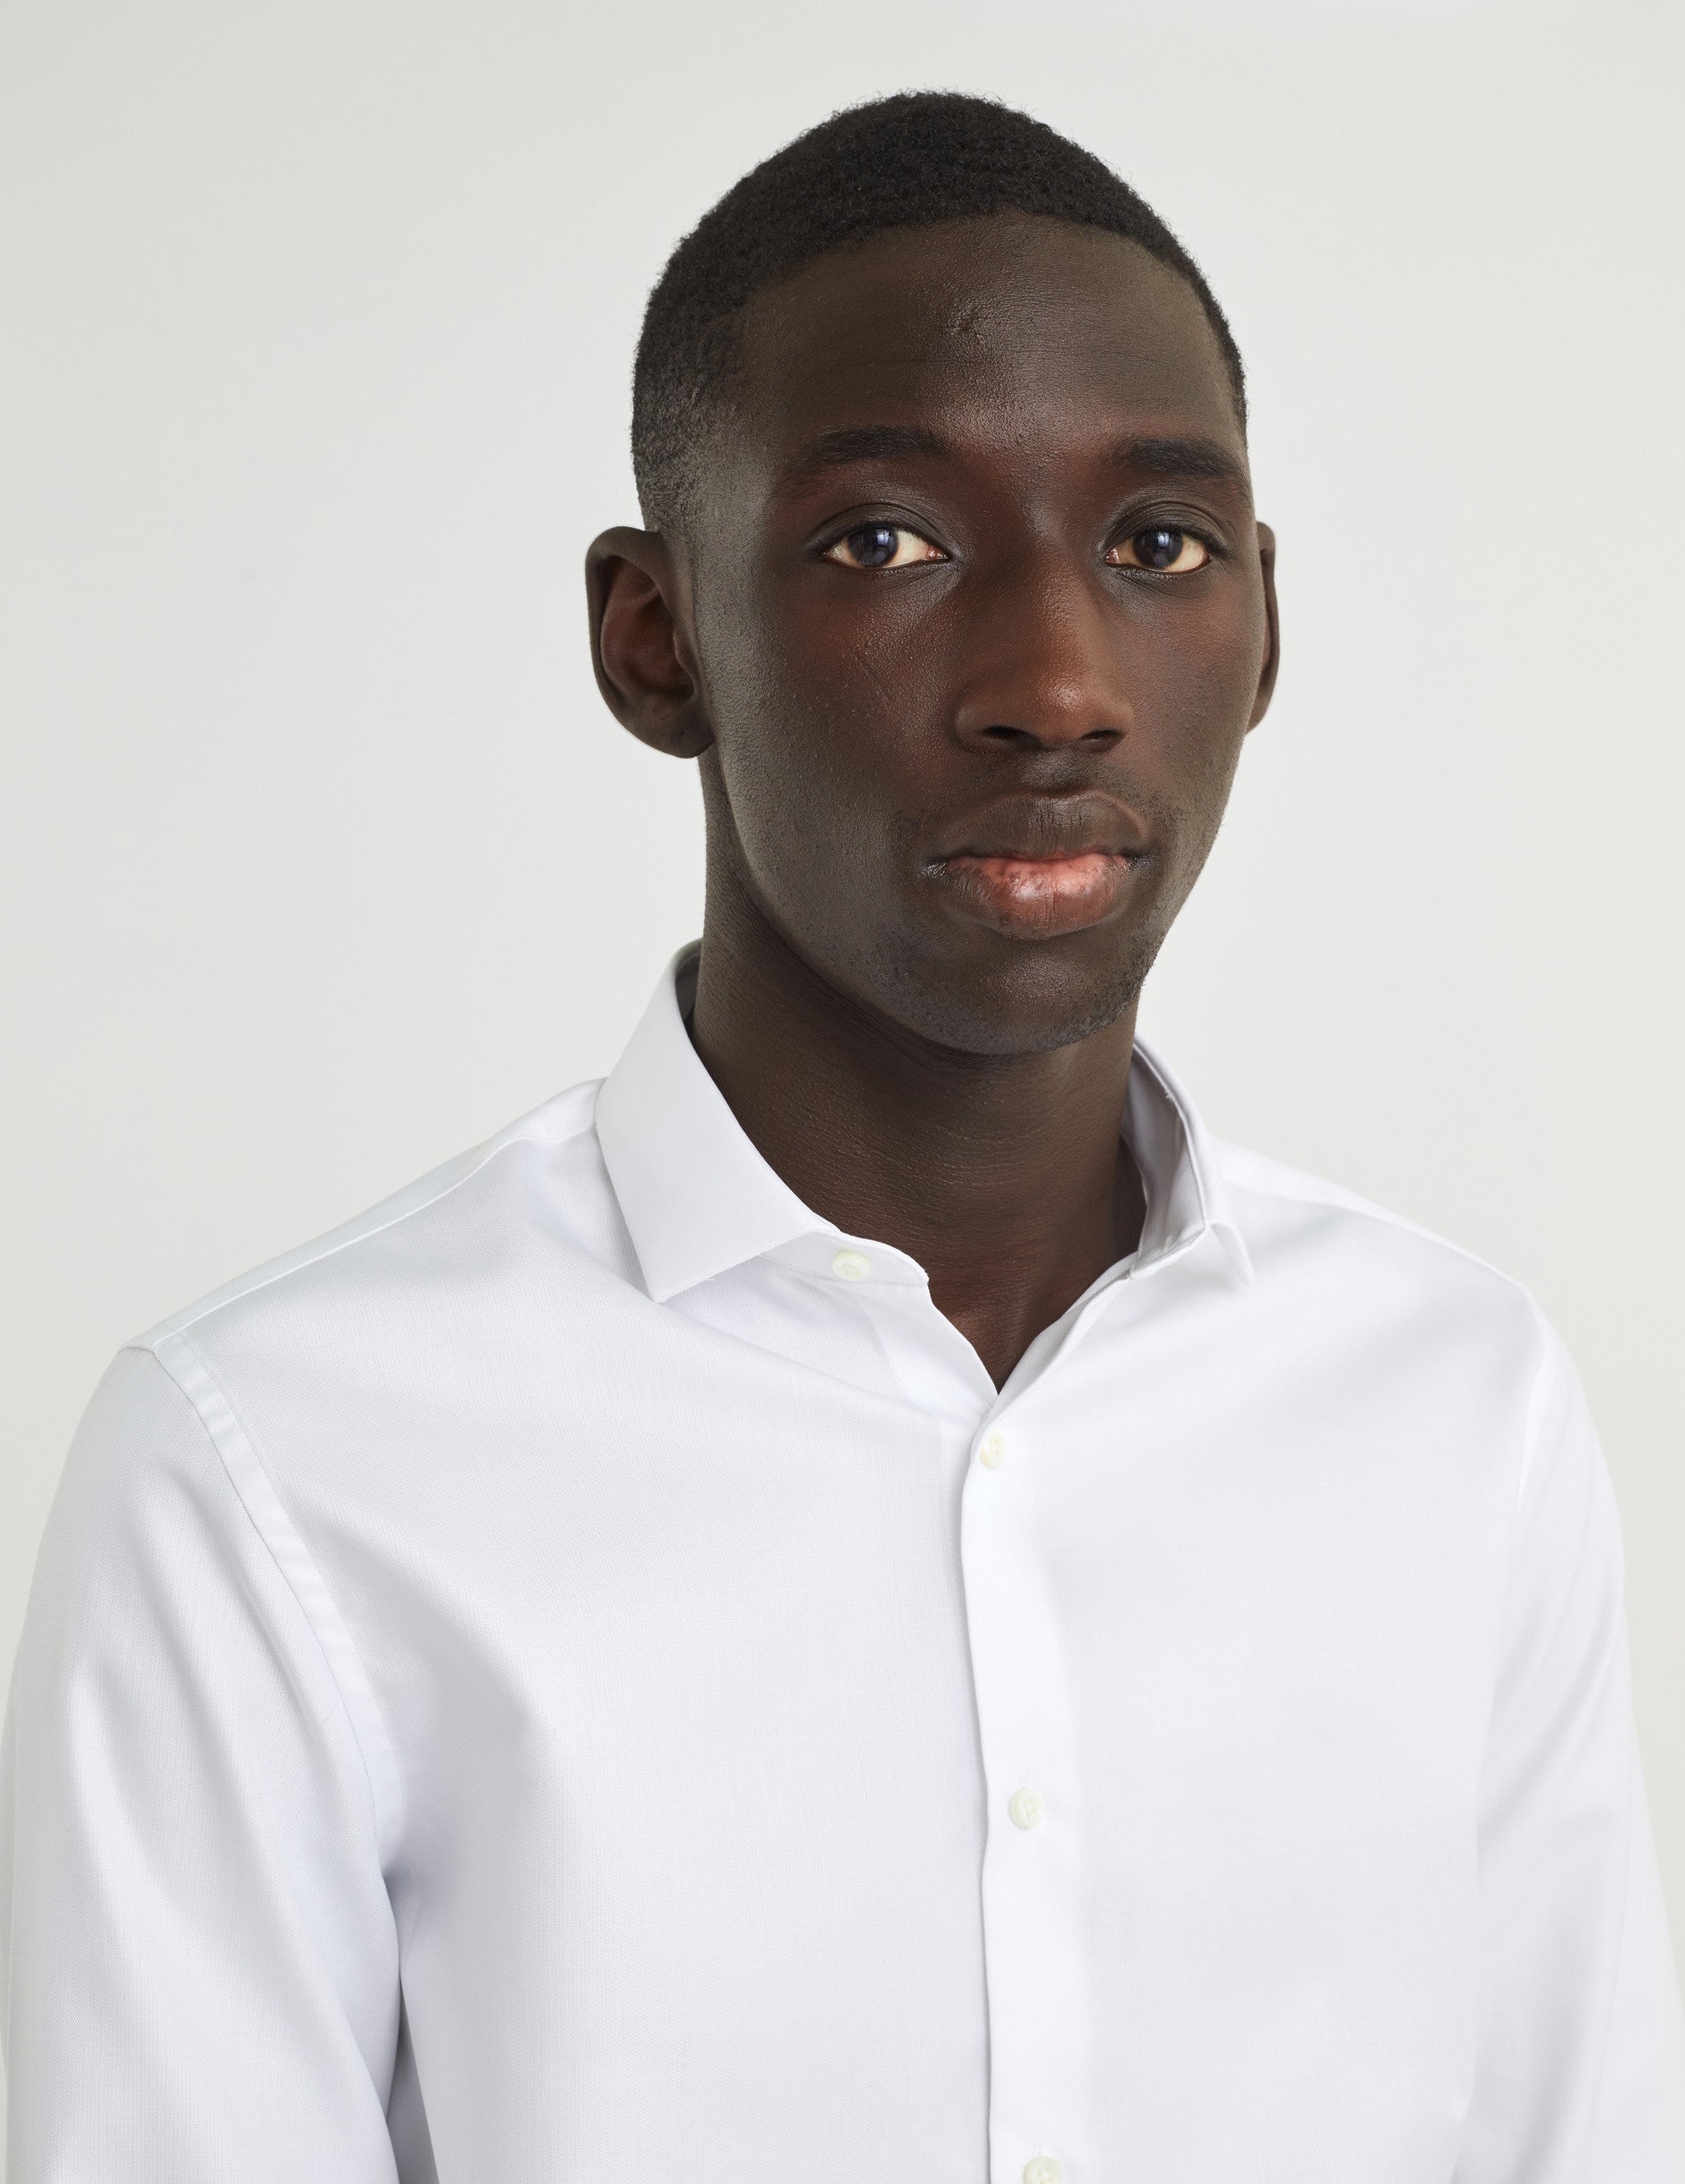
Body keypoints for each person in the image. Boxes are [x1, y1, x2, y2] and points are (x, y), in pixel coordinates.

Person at [4, 89, 1681, 2184]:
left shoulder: (1458, 1404)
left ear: (1263, 624)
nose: (1057, 684)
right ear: (656, 639)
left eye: (1157, 545)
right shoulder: (279, 1463)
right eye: (888, 539)